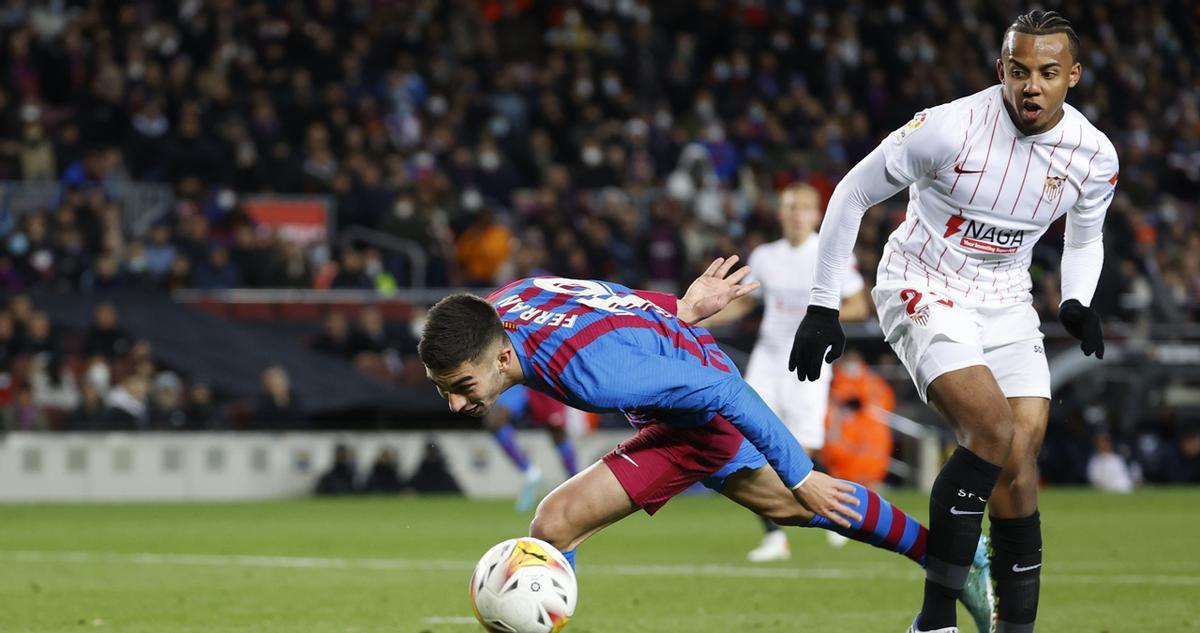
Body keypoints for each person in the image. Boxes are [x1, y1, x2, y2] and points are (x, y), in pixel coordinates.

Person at [419, 257, 993, 629]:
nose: (456, 404)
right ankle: (951, 556)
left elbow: (723, 390)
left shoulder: (591, 370)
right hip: (675, 384)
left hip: (697, 413)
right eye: (444, 391)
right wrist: (681, 309)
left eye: (462, 387)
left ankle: (950, 557)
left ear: (499, 356)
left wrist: (801, 471)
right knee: (790, 510)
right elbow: (608, 296)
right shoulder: (508, 301)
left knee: (555, 522)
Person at [788, 11, 1116, 633]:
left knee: (1020, 457)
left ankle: (1013, 627)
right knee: (990, 429)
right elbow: (851, 193)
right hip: (923, 286)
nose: (1031, 87)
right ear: (1001, 69)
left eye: (1048, 73)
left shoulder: (1093, 155)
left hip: (1008, 301)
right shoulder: (947, 128)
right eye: (1018, 71)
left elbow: (1085, 238)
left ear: (1072, 75)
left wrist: (1077, 300)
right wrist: (822, 305)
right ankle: (935, 620)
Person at [703, 182, 869, 562]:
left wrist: (822, 320)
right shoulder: (764, 256)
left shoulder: (832, 252)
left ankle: (840, 511)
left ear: (817, 214)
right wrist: (698, 317)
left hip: (810, 361)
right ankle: (775, 537)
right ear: (780, 213)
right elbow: (747, 305)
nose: (796, 215)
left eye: (804, 208)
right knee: (751, 441)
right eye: (790, 207)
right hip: (768, 360)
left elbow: (859, 305)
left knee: (802, 449)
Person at [485, 384, 595, 512]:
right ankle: (530, 472)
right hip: (518, 380)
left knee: (556, 429)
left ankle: (576, 483)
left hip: (541, 376)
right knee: (494, 421)